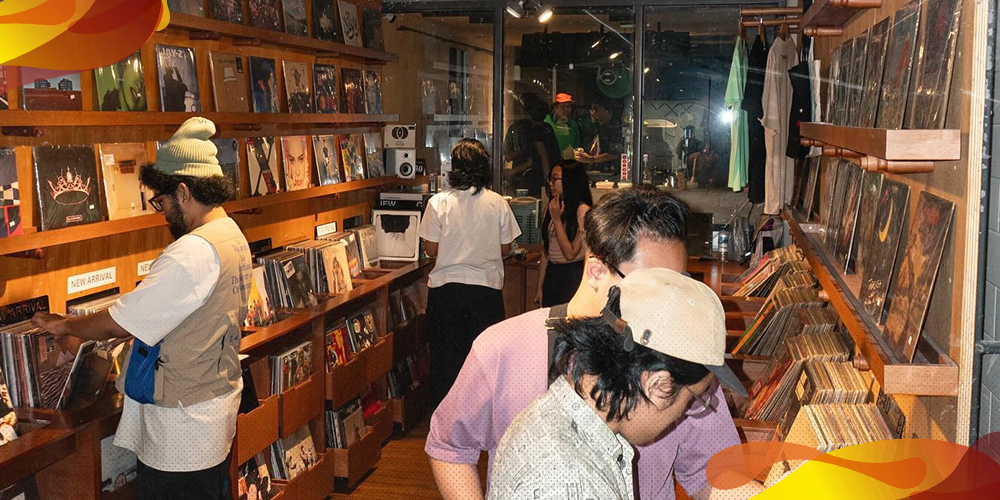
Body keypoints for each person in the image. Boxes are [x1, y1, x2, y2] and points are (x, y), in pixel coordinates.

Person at [426, 187, 744, 500]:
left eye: (679, 285)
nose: (673, 303)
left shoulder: (680, 358)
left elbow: (714, 474)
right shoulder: (503, 348)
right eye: (654, 286)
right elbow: (450, 446)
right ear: (596, 272)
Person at [31, 117, 250, 500]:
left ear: (183, 191)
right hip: (212, 409)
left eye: (161, 202)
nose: (162, 213)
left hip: (183, 424)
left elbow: (121, 321)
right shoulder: (230, 234)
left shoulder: (192, 251)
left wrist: (64, 325)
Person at [488, 268, 755, 499]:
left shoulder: (562, 419)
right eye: (690, 401)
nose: (684, 414)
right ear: (658, 385)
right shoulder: (570, 482)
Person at [419, 138, 521, 402]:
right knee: (484, 363)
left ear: (454, 167)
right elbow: (505, 247)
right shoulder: (497, 202)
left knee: (446, 361)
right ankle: (482, 418)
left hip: (446, 291)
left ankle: (447, 419)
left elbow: (431, 249)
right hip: (485, 292)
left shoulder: (438, 202)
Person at [536, 160, 593, 307]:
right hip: (552, 273)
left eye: (555, 178)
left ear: (569, 180)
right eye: (550, 179)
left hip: (573, 274)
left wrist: (557, 220)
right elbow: (546, 251)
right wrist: (540, 287)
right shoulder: (553, 206)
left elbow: (570, 253)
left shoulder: (583, 211)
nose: (550, 183)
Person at [503, 93, 560, 197]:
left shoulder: (534, 131)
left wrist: (546, 181)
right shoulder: (547, 128)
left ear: (527, 112)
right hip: (548, 176)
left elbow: (541, 158)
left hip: (535, 179)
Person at [576, 96, 623, 175]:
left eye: (596, 110)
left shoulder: (615, 129)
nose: (592, 113)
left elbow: (615, 154)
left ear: (607, 111)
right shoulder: (593, 128)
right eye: (591, 110)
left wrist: (590, 159)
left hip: (609, 172)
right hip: (593, 171)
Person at [544, 93, 582, 160]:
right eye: (563, 106)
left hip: (569, 163)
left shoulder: (573, 124)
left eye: (568, 106)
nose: (566, 109)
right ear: (555, 107)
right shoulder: (546, 122)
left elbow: (577, 143)